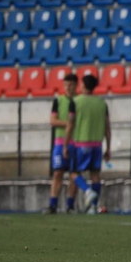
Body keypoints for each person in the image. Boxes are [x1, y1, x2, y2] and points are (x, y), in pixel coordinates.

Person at [68, 74, 110, 214]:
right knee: (95, 175)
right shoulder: (102, 103)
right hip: (97, 145)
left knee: (74, 172)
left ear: (83, 86)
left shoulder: (75, 102)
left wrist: (65, 144)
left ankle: (87, 191)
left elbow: (70, 124)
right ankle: (93, 207)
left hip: (81, 143)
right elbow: (107, 127)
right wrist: (108, 147)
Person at [45, 71, 77, 213]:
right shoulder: (58, 100)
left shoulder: (79, 101)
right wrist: (69, 124)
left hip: (76, 142)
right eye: (66, 84)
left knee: (74, 174)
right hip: (60, 142)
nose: (68, 87)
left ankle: (70, 205)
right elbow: (52, 121)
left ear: (76, 85)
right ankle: (53, 204)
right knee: (58, 173)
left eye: (70, 84)